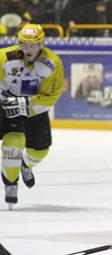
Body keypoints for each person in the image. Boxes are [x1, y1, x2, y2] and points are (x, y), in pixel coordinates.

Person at [0, 24, 64, 209]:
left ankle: (25, 165)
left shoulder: (52, 64)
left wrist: (24, 105)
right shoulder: (5, 57)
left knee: (40, 150)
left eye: (33, 45)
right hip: (5, 103)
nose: (28, 49)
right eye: (24, 44)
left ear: (41, 44)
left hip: (33, 107)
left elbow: (51, 96)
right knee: (13, 140)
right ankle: (11, 184)